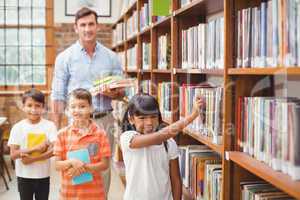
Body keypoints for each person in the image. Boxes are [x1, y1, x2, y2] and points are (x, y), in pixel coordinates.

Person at [51, 7, 124, 194]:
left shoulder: (112, 57)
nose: (87, 29)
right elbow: (58, 95)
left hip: (104, 119)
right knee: (75, 168)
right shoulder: (64, 58)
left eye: (91, 24)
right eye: (82, 25)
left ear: (97, 26)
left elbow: (121, 93)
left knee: (102, 168)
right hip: (75, 123)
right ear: (76, 28)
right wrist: (56, 129)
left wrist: (113, 93)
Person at [120, 93, 204, 200]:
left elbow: (176, 180)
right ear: (131, 119)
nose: (149, 122)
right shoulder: (127, 138)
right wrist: (192, 116)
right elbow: (160, 136)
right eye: (142, 118)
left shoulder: (169, 143)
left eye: (153, 116)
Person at [54, 88, 111, 200]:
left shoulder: (100, 134)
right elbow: (56, 165)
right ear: (67, 110)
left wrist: (83, 167)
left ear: (91, 108)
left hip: (94, 194)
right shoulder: (61, 134)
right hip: (69, 194)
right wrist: (72, 162)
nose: (77, 110)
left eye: (82, 106)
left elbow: (105, 165)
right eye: (73, 106)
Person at [8, 89, 57, 200]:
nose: (33, 110)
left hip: (43, 176)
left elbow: (56, 149)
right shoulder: (18, 127)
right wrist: (35, 148)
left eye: (38, 106)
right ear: (23, 106)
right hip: (23, 176)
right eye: (29, 105)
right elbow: (13, 154)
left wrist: (32, 159)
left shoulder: (49, 126)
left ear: (43, 107)